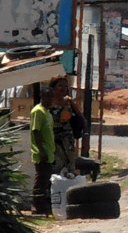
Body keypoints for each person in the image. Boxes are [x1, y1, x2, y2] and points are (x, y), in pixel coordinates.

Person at [49, 76, 88, 177]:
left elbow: (81, 118)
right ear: (53, 87)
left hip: (67, 139)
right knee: (57, 165)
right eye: (60, 86)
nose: (63, 88)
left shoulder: (68, 101)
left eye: (65, 86)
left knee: (70, 163)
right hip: (53, 139)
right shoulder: (48, 102)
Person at [30, 86, 56, 216]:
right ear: (43, 97)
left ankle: (43, 206)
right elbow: (36, 131)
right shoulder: (38, 111)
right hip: (42, 153)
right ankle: (36, 206)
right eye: (48, 97)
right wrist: (41, 150)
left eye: (52, 97)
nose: (50, 99)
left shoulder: (47, 112)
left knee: (46, 181)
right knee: (40, 180)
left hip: (49, 153)